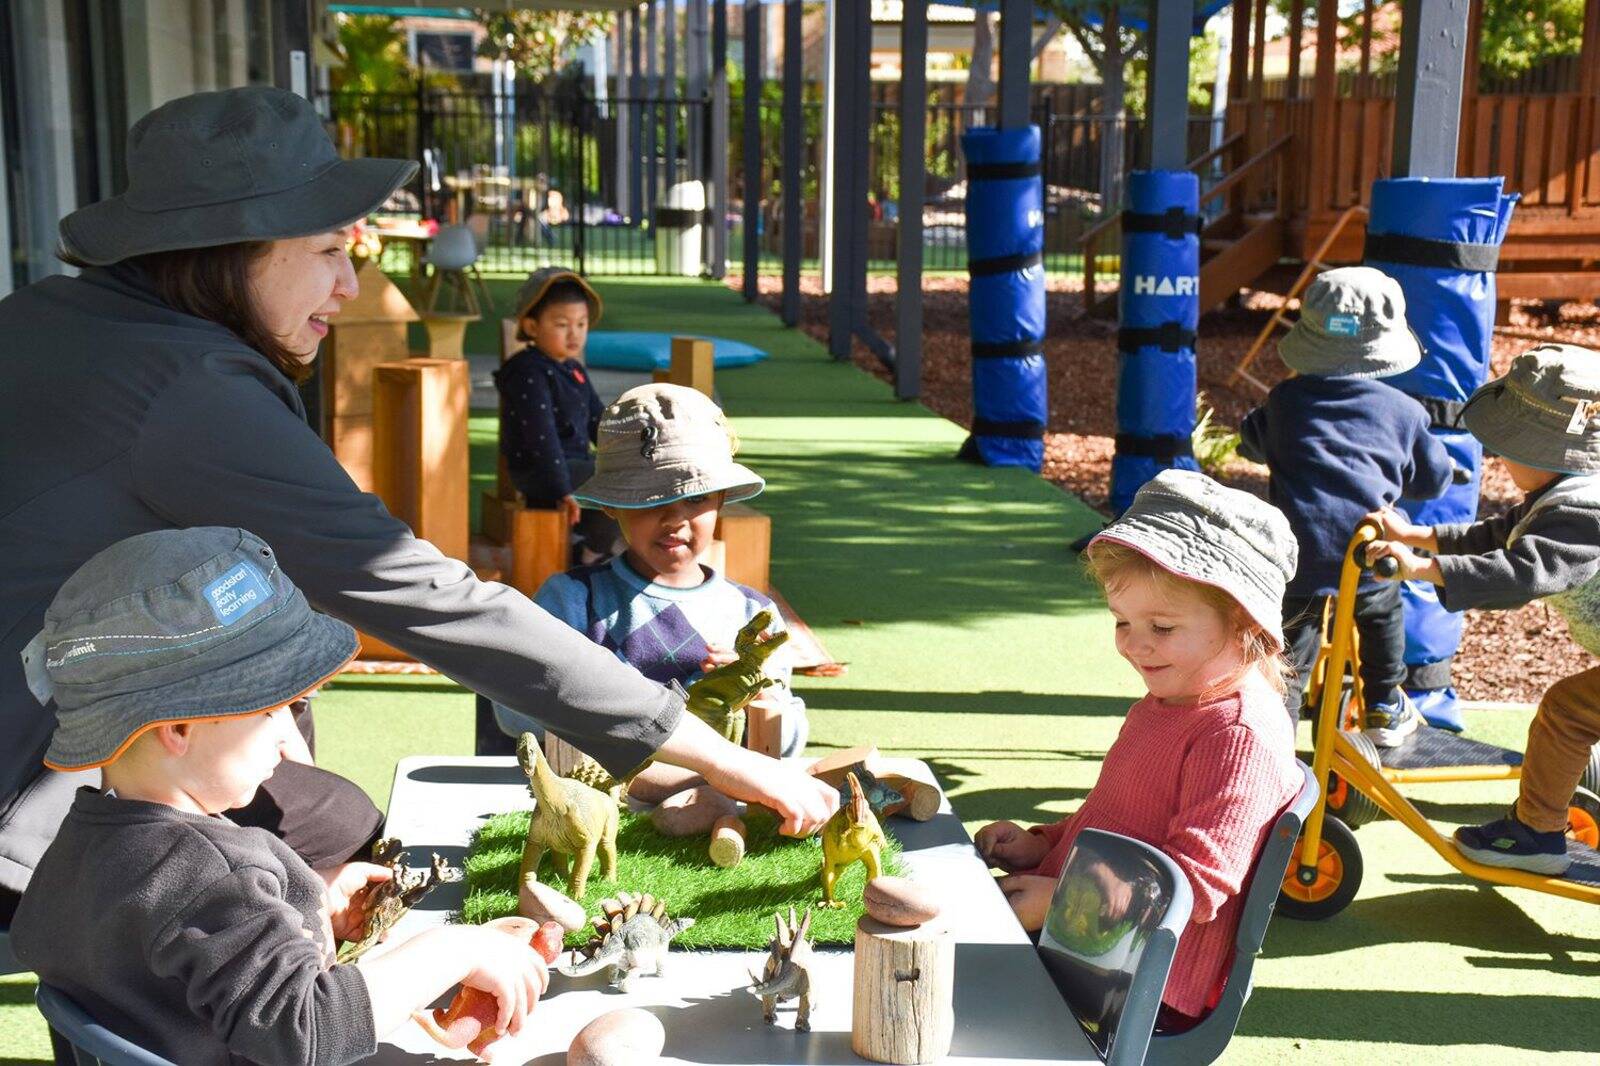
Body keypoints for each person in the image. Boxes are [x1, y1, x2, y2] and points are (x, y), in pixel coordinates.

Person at [0, 86, 835, 923]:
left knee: (309, 815)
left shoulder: (47, 318)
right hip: (38, 773)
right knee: (329, 848)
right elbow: (422, 595)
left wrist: (276, 703)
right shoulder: (191, 393)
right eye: (329, 250)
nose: (351, 284)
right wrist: (717, 756)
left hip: (70, 705)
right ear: (232, 251)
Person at [11, 528, 550, 1065]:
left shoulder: (76, 847)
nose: (287, 733)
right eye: (270, 710)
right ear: (178, 728)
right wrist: (457, 948)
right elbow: (308, 1034)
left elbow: (183, 956)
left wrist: (306, 910)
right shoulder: (213, 875)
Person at [974, 471, 1302, 1028]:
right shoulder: (1174, 699)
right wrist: (1044, 844)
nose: (1134, 642)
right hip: (1101, 945)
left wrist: (1060, 900)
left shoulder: (1236, 734)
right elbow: (1114, 819)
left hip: (1141, 982)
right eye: (1122, 621)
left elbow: (1196, 886)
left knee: (946, 964)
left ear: (1243, 622)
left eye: (1163, 626)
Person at [1367, 345, 1600, 875]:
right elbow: (1503, 534)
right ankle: (1538, 826)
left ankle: (1536, 835)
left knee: (1568, 714)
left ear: (1545, 452)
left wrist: (1419, 569)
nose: (1500, 459)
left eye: (1507, 449)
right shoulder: (1568, 493)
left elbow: (1522, 572)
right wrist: (1420, 537)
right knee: (1572, 711)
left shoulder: (1584, 513)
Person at [496, 384, 809, 759]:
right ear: (612, 506)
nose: (674, 520)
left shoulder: (752, 618)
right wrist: (593, 691)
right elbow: (511, 713)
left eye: (696, 497)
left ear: (722, 499)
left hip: (718, 800)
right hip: (602, 801)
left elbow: (787, 744)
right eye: (651, 501)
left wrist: (756, 693)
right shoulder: (572, 601)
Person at [1238, 266, 1454, 745]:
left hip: (1296, 555)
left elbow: (1251, 442)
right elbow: (1433, 479)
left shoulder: (1284, 401)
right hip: (1366, 549)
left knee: (1290, 654)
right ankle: (1381, 703)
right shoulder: (1404, 412)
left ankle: (1272, 743)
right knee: (1381, 613)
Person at [493, 267, 621, 562]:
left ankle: (589, 542)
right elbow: (542, 437)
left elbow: (596, 422)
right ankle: (588, 555)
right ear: (532, 326)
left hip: (572, 465)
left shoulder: (573, 369)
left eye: (581, 323)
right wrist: (561, 488)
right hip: (539, 470)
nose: (574, 333)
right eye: (562, 324)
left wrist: (624, 452)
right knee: (614, 485)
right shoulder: (528, 371)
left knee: (627, 476)